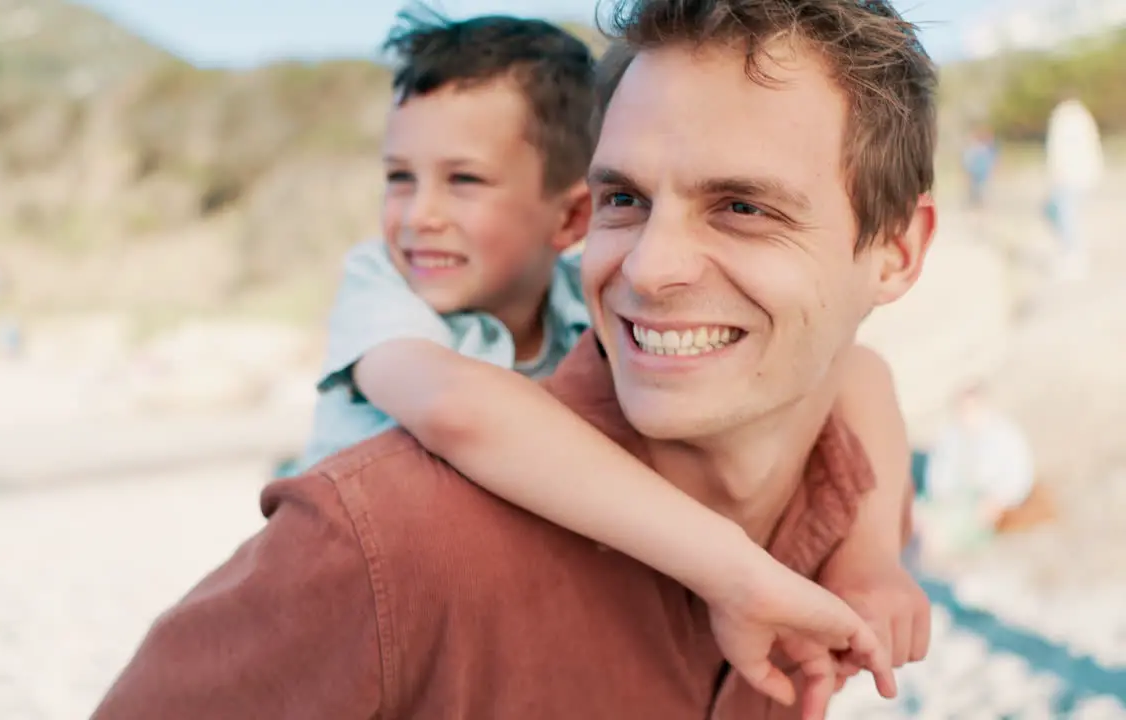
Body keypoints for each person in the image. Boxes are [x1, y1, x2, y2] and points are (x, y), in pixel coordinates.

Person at [93, 1, 938, 718]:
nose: (647, 267)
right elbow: (461, 410)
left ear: (896, 253)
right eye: (626, 199)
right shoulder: (377, 545)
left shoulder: (839, 495)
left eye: (744, 207)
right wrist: (738, 574)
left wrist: (873, 556)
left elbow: (862, 374)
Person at [918, 383, 1046, 557]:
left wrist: (998, 501)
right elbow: (939, 471)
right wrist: (943, 495)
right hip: (953, 498)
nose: (966, 414)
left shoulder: (1005, 436)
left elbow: (1019, 476)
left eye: (971, 409)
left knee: (943, 532)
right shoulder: (951, 434)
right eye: (962, 409)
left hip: (986, 504)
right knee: (918, 516)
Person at [1044, 92, 1103, 279]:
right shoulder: (1079, 115)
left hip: (1070, 175)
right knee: (1062, 213)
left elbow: (1061, 150)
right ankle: (1073, 252)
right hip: (1078, 174)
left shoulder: (1066, 117)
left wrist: (1058, 172)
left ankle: (1074, 255)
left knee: (1066, 215)